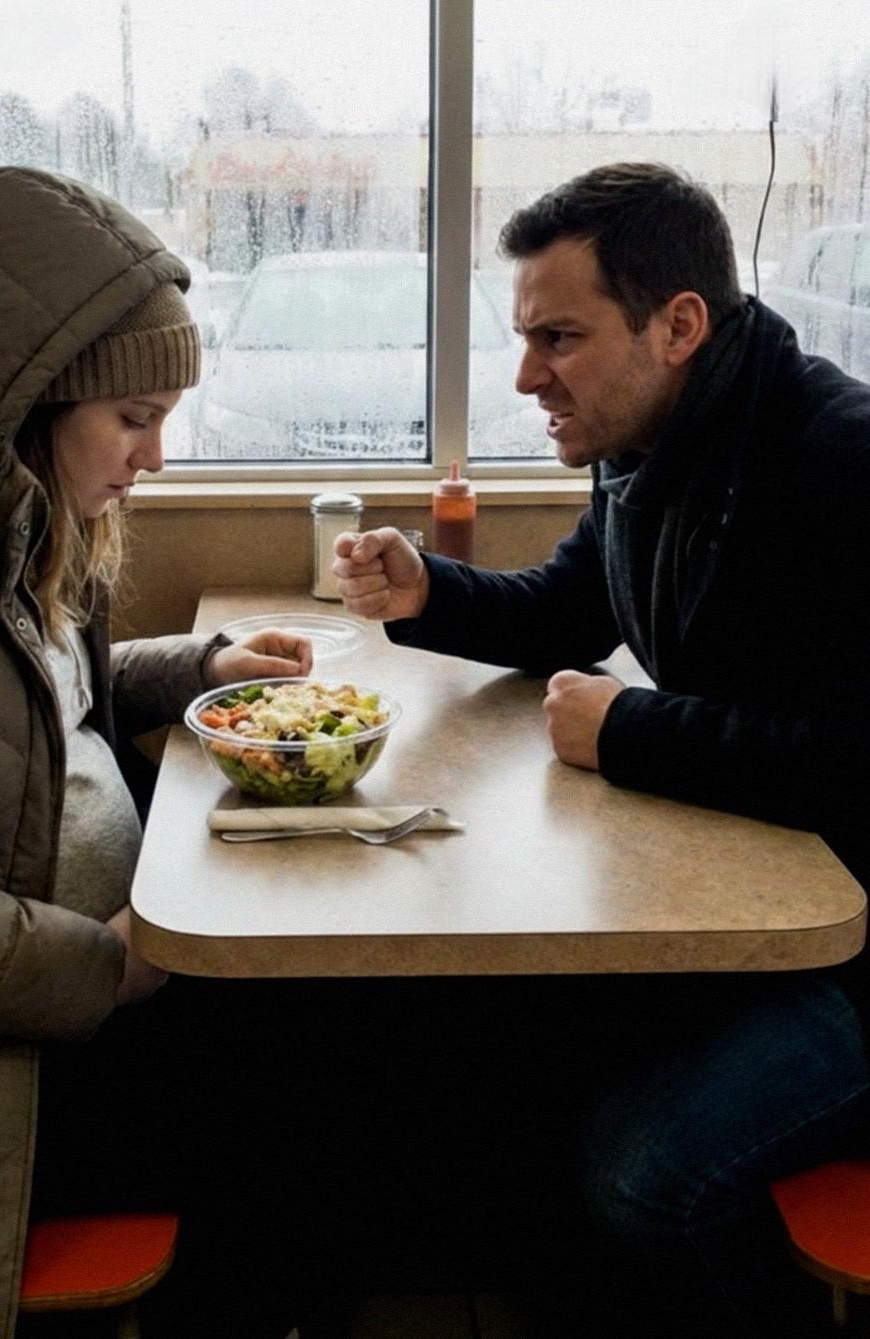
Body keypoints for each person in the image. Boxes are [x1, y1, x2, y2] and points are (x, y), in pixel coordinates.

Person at [333, 162, 870, 1337]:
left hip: (854, 952)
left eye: (559, 339)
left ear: (677, 326)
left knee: (642, 1173)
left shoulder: (838, 457)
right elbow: (567, 608)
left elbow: (851, 756)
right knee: (508, 1046)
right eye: (527, 338)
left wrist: (630, 727)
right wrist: (429, 591)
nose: (527, 375)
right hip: (754, 903)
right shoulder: (651, 439)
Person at [0, 165, 318, 1339]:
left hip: (86, 978)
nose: (156, 458)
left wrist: (198, 667)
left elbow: (31, 707)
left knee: (313, 1020)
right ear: (22, 397)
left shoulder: (9, 510)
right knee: (297, 1096)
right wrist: (107, 967)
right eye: (134, 420)